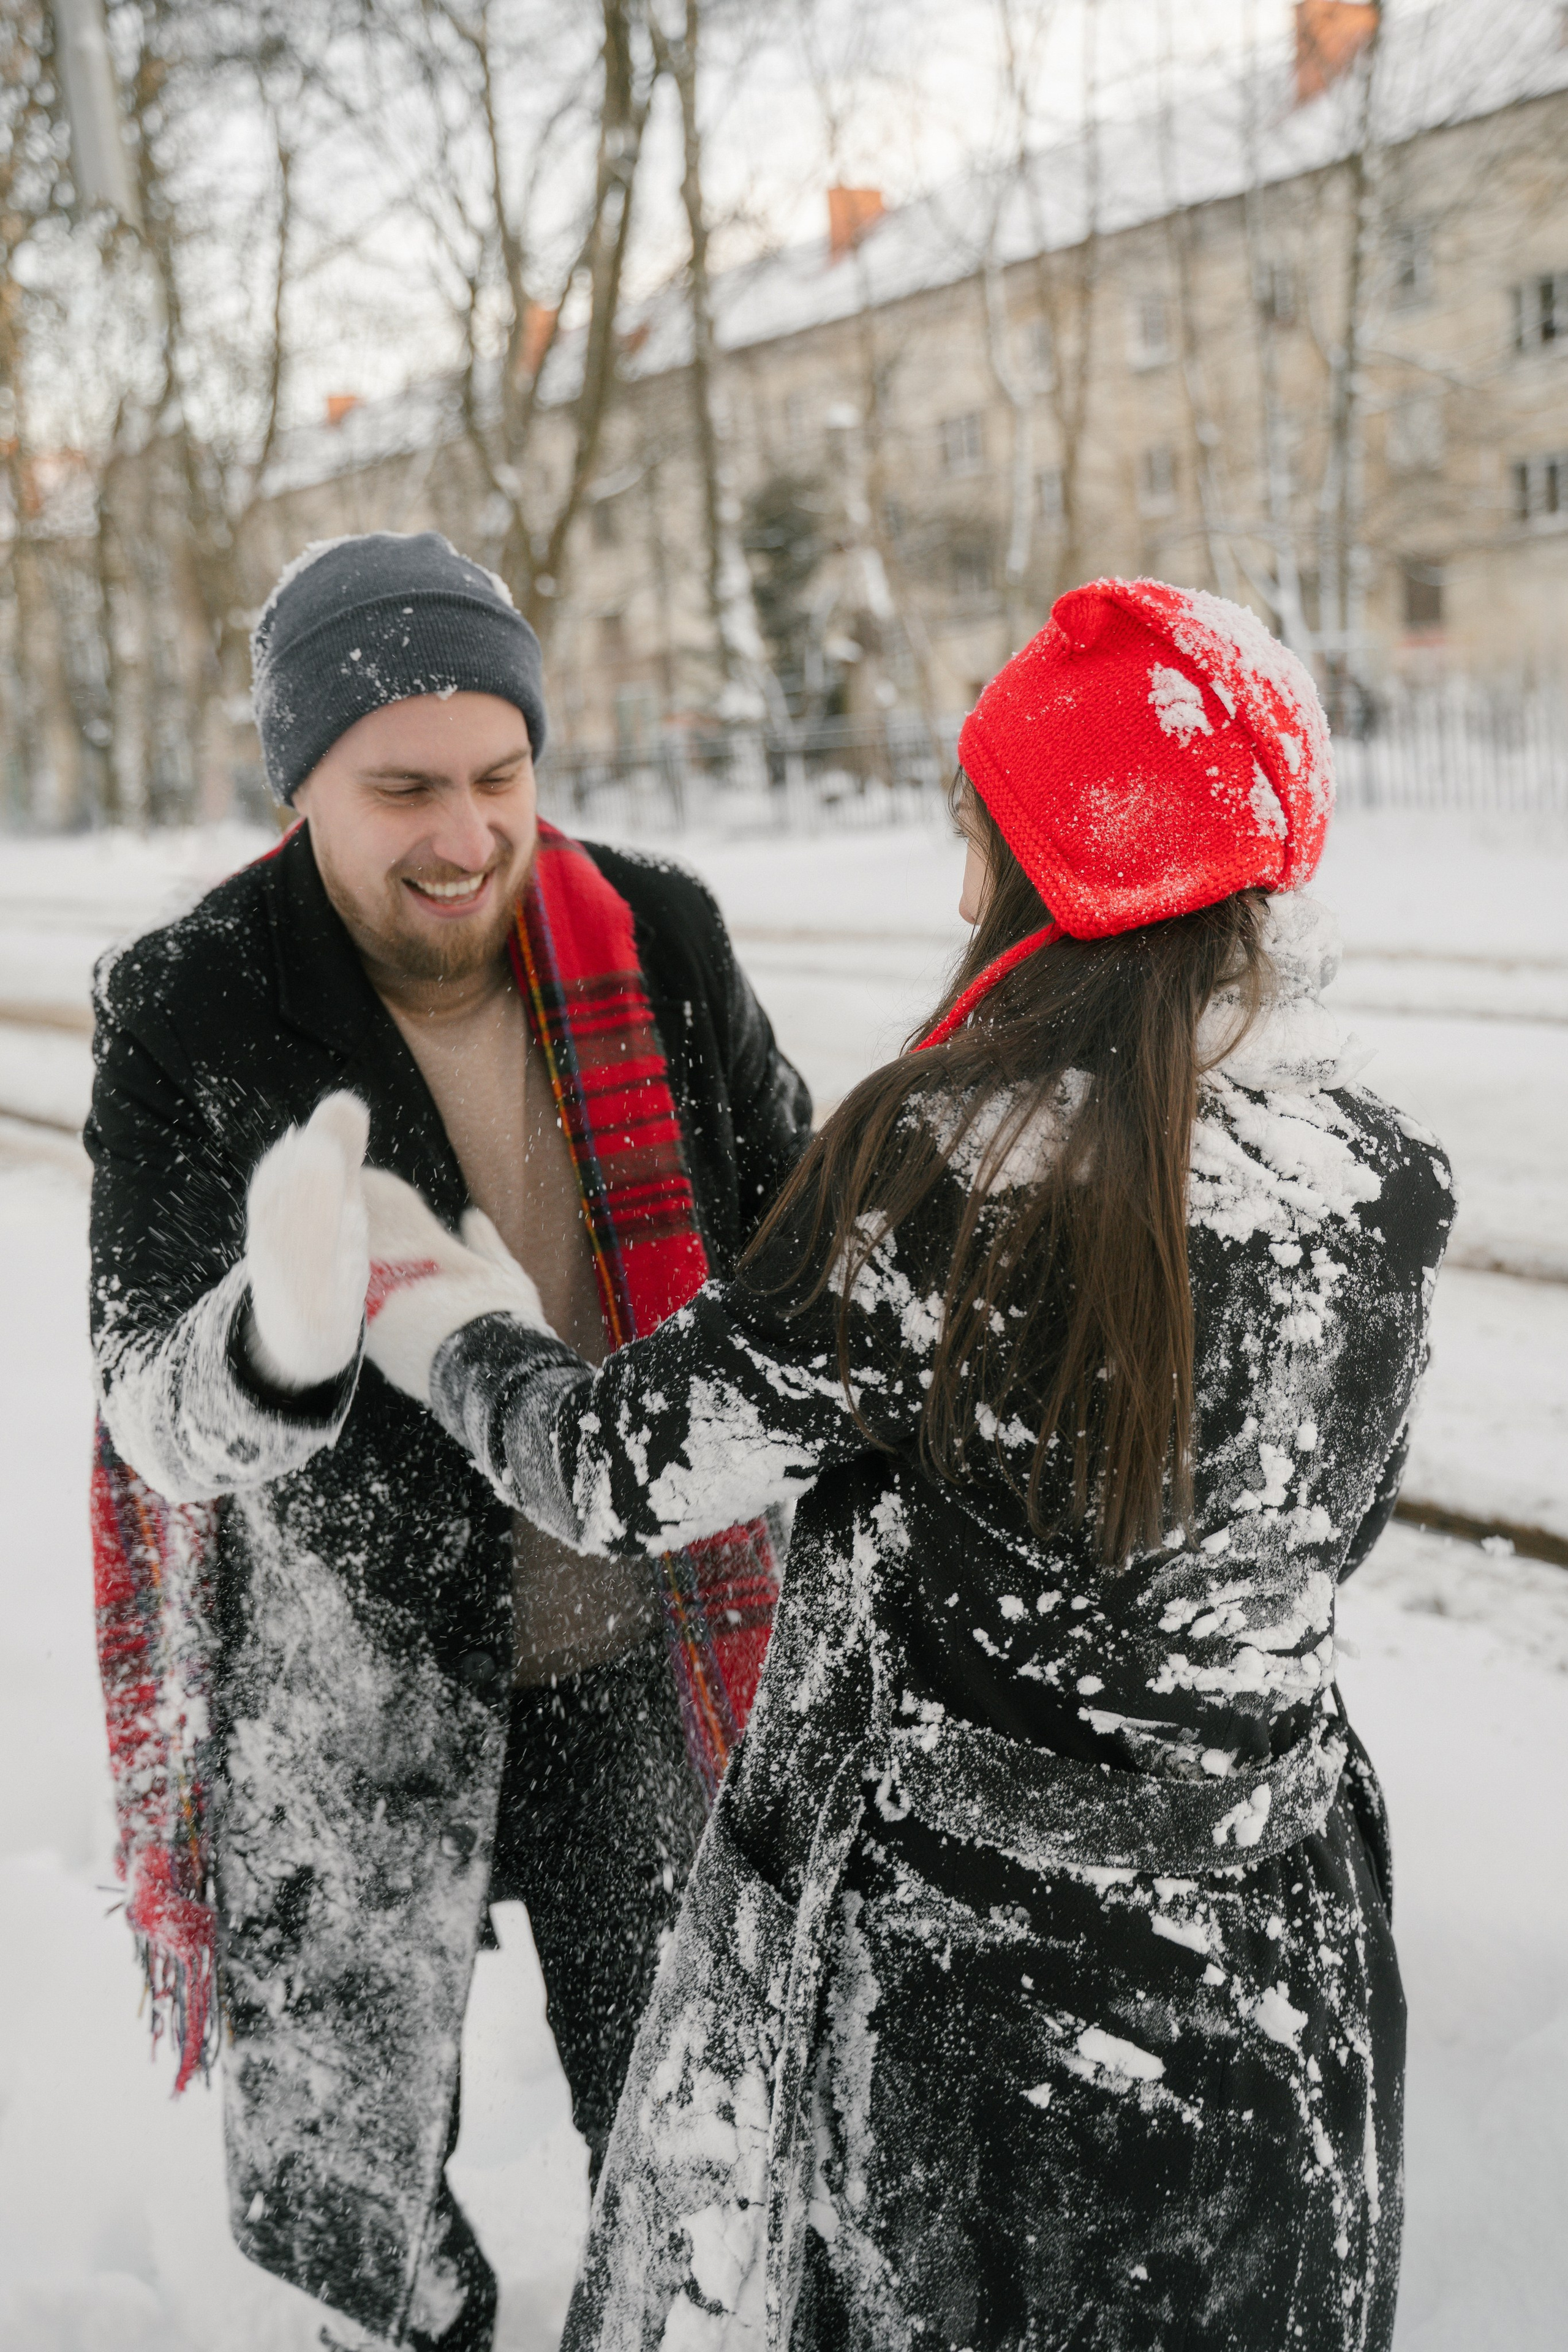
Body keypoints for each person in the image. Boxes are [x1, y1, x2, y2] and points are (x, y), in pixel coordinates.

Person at [345, 577, 1455, 2351]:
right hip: (1283, 1977)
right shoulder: (1380, 1184)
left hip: (976, 2022)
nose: (958, 890)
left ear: (1060, 872)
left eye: (982, 839)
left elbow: (627, 1473)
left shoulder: (942, 1181)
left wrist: (446, 1309)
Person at [86, 530, 811, 2351]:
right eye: (402, 786)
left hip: (650, 1648)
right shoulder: (194, 1001)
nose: (466, 832)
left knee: (700, 2133)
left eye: (501, 777)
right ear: (302, 782)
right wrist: (278, 1341)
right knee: (360, 2182)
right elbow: (145, 1405)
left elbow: (803, 1249)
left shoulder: (658, 937)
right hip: (349, 1677)